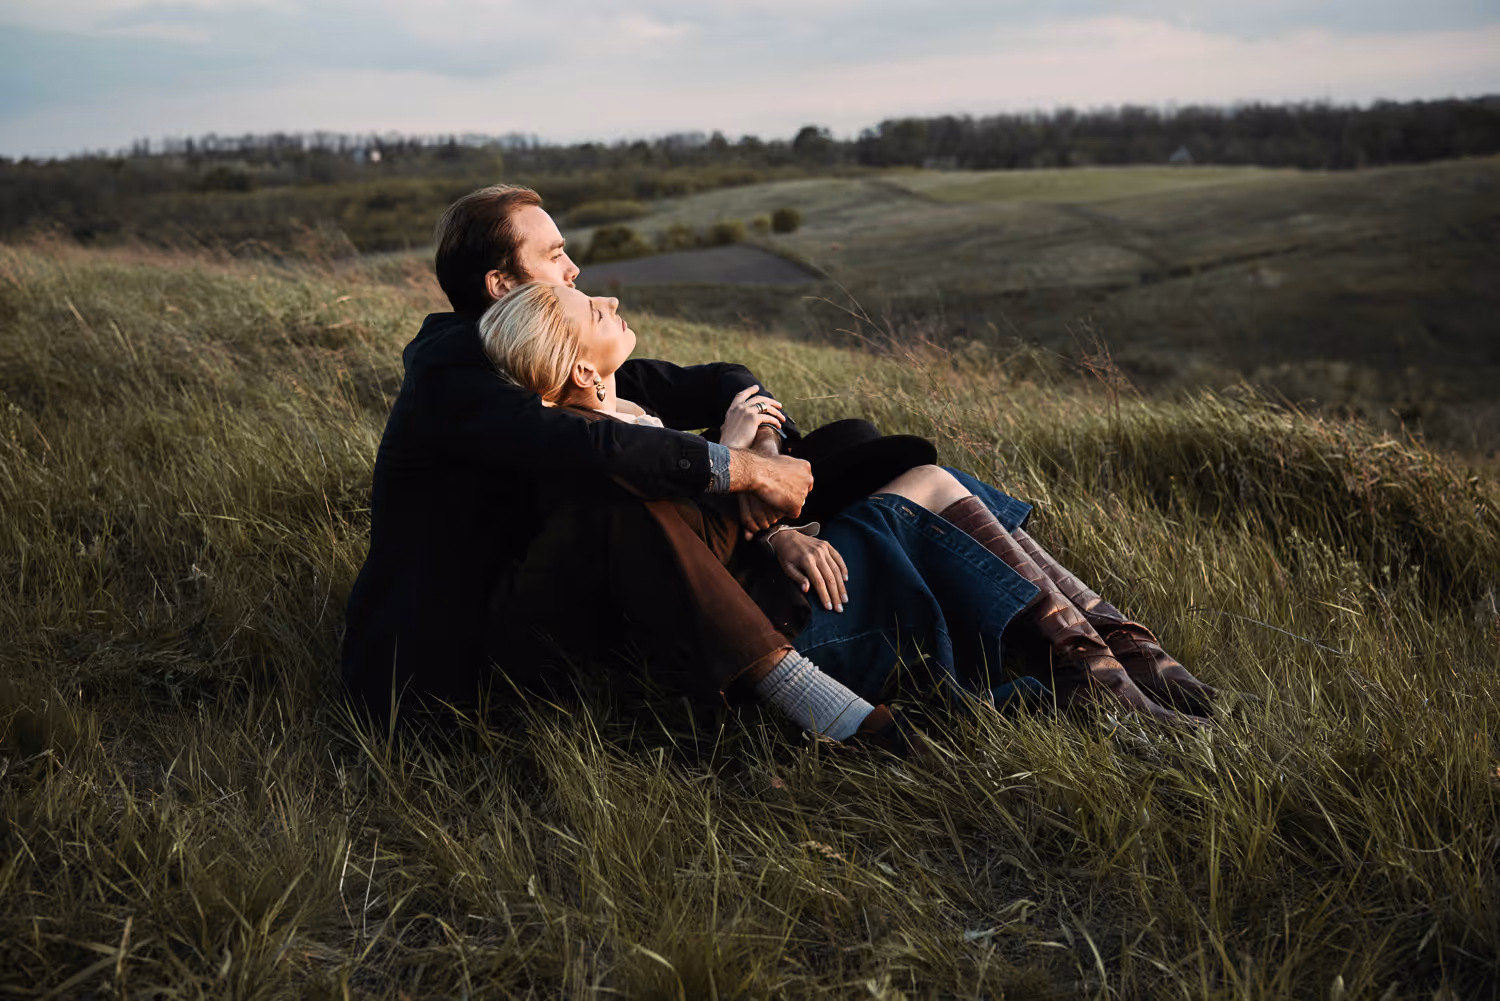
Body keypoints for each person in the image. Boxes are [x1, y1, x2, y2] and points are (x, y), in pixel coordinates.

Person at [478, 282, 1214, 730]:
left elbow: (709, 491)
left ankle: (1123, 664)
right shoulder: (599, 462)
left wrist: (772, 518)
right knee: (930, 485)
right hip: (778, 626)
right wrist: (741, 471)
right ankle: (1115, 673)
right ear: (582, 367)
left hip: (777, 581)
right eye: (593, 310)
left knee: (930, 480)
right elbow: (677, 559)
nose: (608, 299)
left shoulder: (624, 422)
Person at [340, 185, 817, 725]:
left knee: (850, 442)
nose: (574, 270)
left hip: (555, 607)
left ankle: (800, 573)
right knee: (621, 499)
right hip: (447, 669)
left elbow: (722, 381)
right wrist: (741, 467)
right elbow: (596, 449)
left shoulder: (551, 353)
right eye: (553, 255)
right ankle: (786, 682)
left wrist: (766, 449)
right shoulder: (456, 367)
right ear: (502, 285)